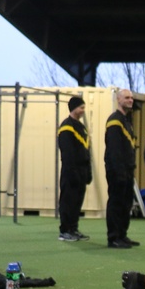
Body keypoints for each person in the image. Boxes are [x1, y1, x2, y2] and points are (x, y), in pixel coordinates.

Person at [105, 88, 138, 249]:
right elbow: (114, 149)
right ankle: (113, 237)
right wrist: (119, 171)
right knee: (116, 202)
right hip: (117, 170)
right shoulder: (114, 120)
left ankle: (122, 235)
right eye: (127, 97)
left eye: (131, 98)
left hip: (128, 169)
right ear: (118, 100)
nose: (130, 100)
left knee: (126, 203)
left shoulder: (126, 121)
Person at [57, 95, 92, 242]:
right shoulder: (66, 126)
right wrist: (72, 172)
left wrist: (88, 171)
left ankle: (73, 228)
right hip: (70, 171)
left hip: (82, 172)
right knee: (68, 201)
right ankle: (64, 230)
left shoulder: (82, 128)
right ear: (74, 108)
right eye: (81, 107)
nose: (83, 110)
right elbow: (67, 152)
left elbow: (86, 151)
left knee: (77, 202)